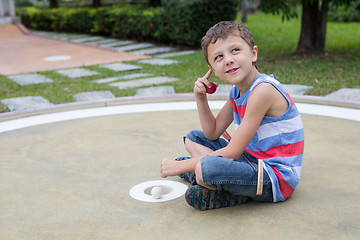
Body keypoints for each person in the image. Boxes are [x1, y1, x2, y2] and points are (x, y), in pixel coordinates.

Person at [160, 21, 304, 210]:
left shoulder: (263, 91)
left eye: (235, 50)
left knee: (207, 169)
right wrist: (200, 97)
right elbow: (212, 133)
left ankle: (218, 185)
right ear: (213, 69)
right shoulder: (237, 92)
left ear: (253, 53)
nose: (228, 59)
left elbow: (232, 153)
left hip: (274, 178)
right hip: (251, 160)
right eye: (218, 57)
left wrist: (180, 167)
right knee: (193, 138)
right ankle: (214, 179)